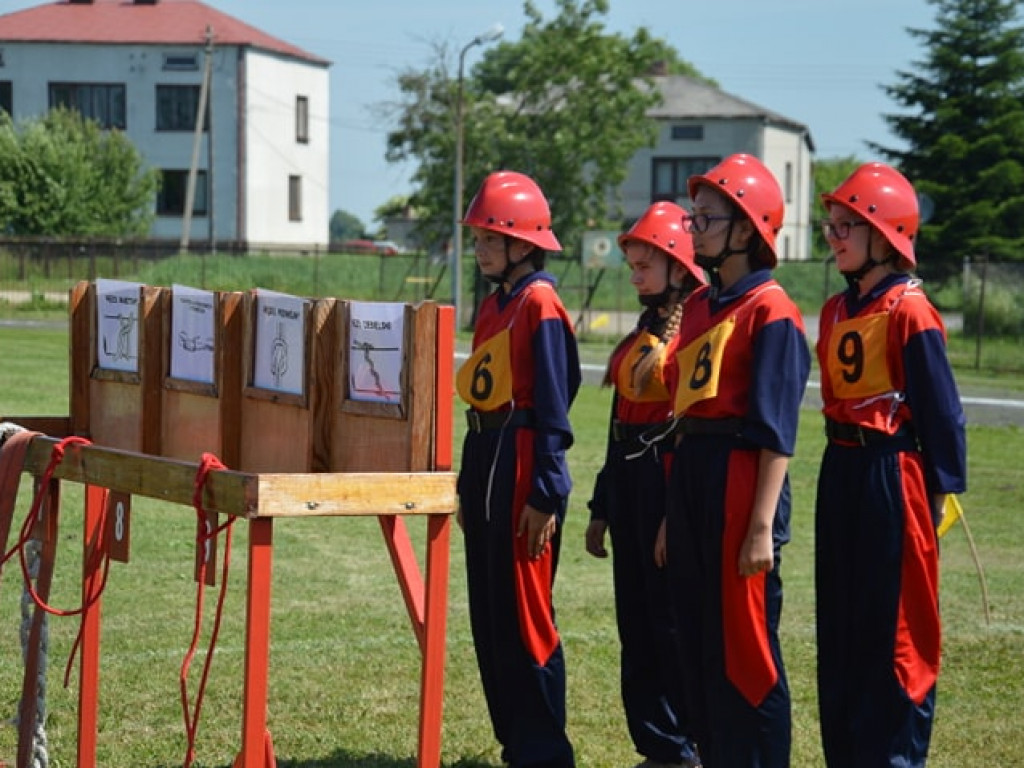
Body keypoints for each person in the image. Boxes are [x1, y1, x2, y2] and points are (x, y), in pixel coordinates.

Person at [659, 153, 810, 767]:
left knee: (745, 648)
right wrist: (673, 512)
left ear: (746, 230)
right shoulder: (699, 307)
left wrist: (759, 528)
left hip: (743, 482)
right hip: (694, 475)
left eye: (707, 219)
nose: (693, 230)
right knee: (695, 640)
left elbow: (777, 432)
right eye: (693, 218)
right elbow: (683, 418)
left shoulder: (772, 312)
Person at [815, 162, 967, 767]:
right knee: (843, 623)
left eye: (847, 225)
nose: (834, 237)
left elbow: (941, 411)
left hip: (891, 474)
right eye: (830, 226)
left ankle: (894, 757)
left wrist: (940, 491)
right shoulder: (832, 311)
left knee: (895, 628)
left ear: (886, 234)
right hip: (840, 470)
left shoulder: (911, 310)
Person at [455, 170, 581, 768]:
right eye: (477, 238)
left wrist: (547, 491)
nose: (478, 249)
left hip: (524, 460)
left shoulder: (541, 304)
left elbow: (556, 402)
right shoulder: (494, 304)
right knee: (490, 613)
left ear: (523, 243)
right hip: (485, 459)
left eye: (488, 238)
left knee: (526, 617)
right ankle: (515, 745)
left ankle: (544, 751)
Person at [585, 201, 706, 768]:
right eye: (631, 265)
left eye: (643, 266)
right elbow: (617, 426)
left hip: (663, 491)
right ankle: (657, 748)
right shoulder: (642, 332)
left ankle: (688, 746)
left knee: (670, 624)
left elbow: (689, 435)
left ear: (679, 267)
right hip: (630, 488)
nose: (632, 275)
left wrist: (672, 517)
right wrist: (602, 505)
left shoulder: (694, 333)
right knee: (634, 622)